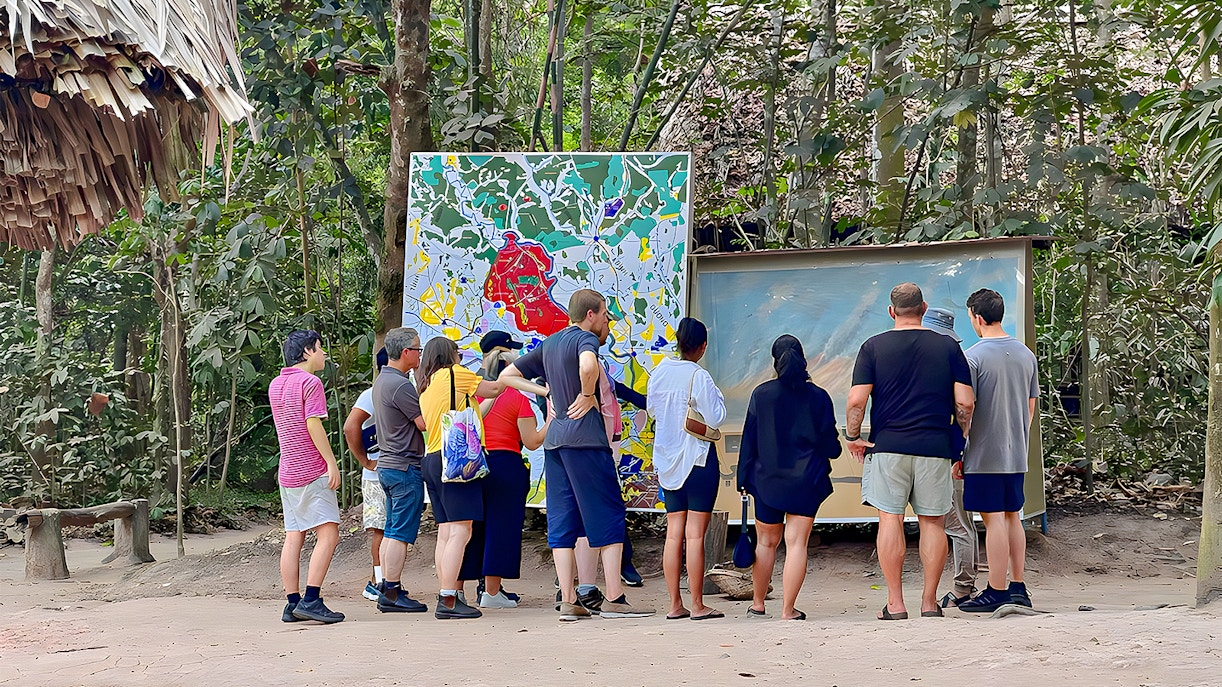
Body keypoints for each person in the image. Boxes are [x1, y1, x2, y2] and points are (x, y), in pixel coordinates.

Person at [499, 289, 655, 620]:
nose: (607, 322)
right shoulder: (587, 341)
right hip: (586, 441)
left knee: (563, 520)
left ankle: (569, 600)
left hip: (555, 442)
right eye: (605, 315)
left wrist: (547, 392)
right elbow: (588, 367)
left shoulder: (551, 343)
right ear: (590, 315)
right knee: (609, 513)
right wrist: (587, 394)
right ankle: (613, 596)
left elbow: (507, 376)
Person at [845, 283, 974, 620]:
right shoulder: (947, 347)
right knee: (933, 523)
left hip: (888, 448)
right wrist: (960, 433)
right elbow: (965, 402)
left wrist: (853, 436)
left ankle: (895, 603)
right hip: (934, 448)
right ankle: (930, 603)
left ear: (892, 312)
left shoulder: (873, 347)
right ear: (924, 308)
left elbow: (857, 401)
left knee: (890, 520)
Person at [738, 335, 842, 620]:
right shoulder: (819, 396)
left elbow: (749, 441)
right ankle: (787, 610)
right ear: (803, 358)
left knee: (766, 543)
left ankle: (758, 604)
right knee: (797, 543)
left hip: (767, 481)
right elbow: (830, 446)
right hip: (806, 481)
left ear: (774, 361)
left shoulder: (762, 394)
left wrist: (742, 479)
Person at [956, 289, 1039, 613]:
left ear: (977, 316)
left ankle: (996, 589)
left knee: (993, 521)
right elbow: (1031, 406)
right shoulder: (1025, 354)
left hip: (984, 452)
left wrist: (961, 446)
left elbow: (967, 406)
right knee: (1012, 516)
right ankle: (1018, 586)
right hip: (1015, 450)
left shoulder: (973, 356)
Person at [647, 317, 727, 620]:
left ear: (678, 342)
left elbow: (652, 410)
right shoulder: (699, 376)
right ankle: (697, 605)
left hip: (667, 462)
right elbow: (716, 417)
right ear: (702, 346)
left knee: (673, 535)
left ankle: (674, 605)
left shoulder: (660, 373)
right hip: (697, 461)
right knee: (695, 537)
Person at [418, 337, 504, 620]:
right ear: (450, 355)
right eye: (458, 353)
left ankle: (447, 594)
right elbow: (493, 387)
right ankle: (449, 599)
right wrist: (510, 372)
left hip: (432, 458)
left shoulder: (427, 386)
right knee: (461, 531)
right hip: (455, 459)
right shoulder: (456, 373)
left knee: (445, 531)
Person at [469, 330, 549, 608]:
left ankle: (461, 591)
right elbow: (532, 441)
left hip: (473, 465)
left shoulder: (470, 389)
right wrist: (551, 418)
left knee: (473, 527)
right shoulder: (515, 396)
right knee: (501, 527)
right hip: (505, 464)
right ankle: (491, 592)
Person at [269, 330, 344, 623]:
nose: (324, 353)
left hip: (287, 470)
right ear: (307, 352)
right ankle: (312, 599)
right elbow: (313, 425)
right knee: (328, 533)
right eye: (320, 348)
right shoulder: (310, 382)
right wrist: (331, 463)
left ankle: (292, 603)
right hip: (311, 469)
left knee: (294, 536)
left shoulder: (277, 384)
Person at [921, 307, 981, 607]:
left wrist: (958, 453)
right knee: (961, 522)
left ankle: (962, 588)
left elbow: (964, 411)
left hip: (950, 454)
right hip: (953, 452)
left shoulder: (953, 363)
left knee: (957, 525)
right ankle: (966, 583)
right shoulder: (954, 359)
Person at [372, 327, 429, 614]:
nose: (420, 353)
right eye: (418, 349)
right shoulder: (401, 386)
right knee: (400, 533)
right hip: (405, 465)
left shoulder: (384, 380)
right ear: (405, 352)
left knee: (392, 529)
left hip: (389, 464)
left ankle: (386, 585)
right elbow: (424, 423)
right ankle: (392, 591)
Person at [343, 347, 391, 602]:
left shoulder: (404, 391)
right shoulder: (370, 395)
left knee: (393, 530)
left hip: (398, 470)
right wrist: (364, 460)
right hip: (376, 474)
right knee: (380, 530)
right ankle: (377, 581)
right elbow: (350, 426)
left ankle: (388, 580)